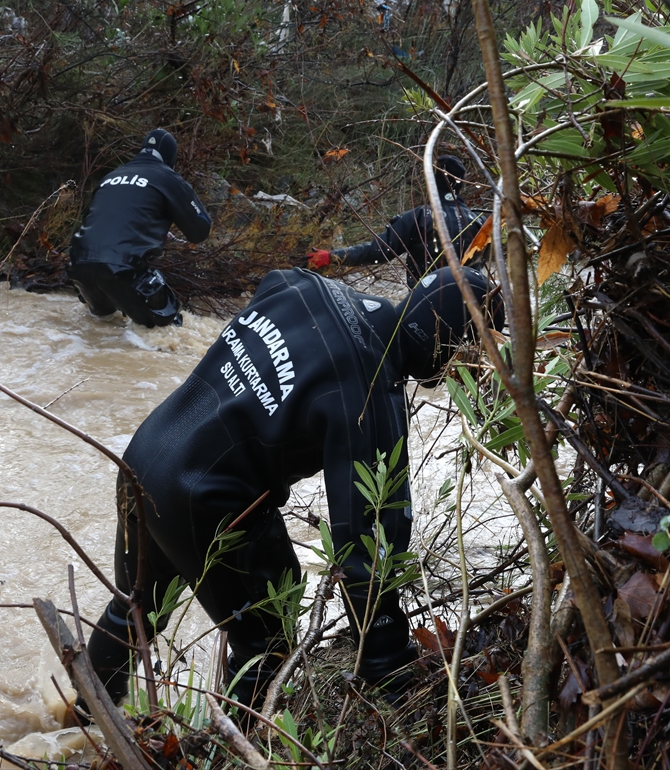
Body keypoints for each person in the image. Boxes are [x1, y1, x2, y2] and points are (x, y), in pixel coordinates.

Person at [83, 265, 503, 713]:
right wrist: (387, 666)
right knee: (266, 652)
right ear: (447, 343)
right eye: (471, 349)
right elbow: (367, 542)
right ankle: (228, 758)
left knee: (133, 610)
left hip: (144, 455)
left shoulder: (302, 285)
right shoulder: (369, 393)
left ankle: (84, 722)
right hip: (207, 500)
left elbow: (269, 284)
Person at [68, 129, 212, 327]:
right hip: (122, 268)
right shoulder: (167, 178)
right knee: (166, 331)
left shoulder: (111, 176)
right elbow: (200, 231)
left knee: (102, 326)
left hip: (79, 266)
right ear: (170, 157)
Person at [308, 155, 484, 286]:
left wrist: (331, 256)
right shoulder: (479, 222)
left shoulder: (420, 217)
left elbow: (378, 252)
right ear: (461, 184)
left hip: (426, 306)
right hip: (470, 310)